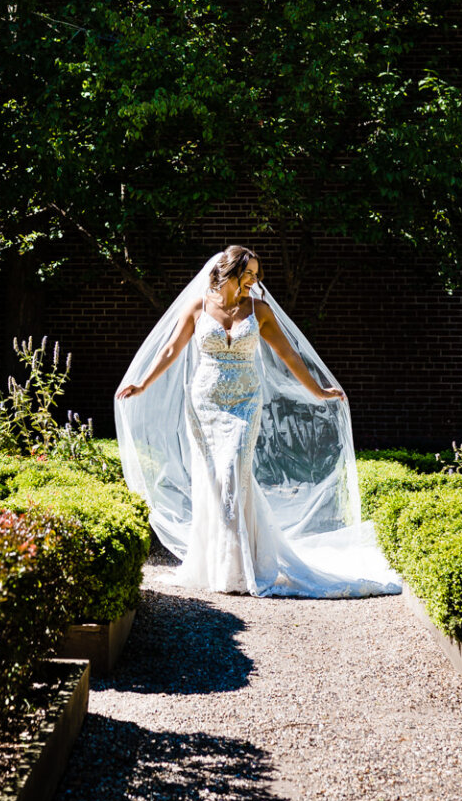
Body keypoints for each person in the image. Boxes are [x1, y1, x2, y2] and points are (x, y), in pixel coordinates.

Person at [114, 245, 404, 598]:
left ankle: (243, 568)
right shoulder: (199, 305)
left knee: (234, 469)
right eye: (248, 273)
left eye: (255, 273)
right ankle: (219, 565)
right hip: (205, 404)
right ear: (228, 273)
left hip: (246, 403)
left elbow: (287, 353)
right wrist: (143, 382)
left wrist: (317, 390)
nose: (255, 279)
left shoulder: (259, 309)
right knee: (215, 481)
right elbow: (172, 349)